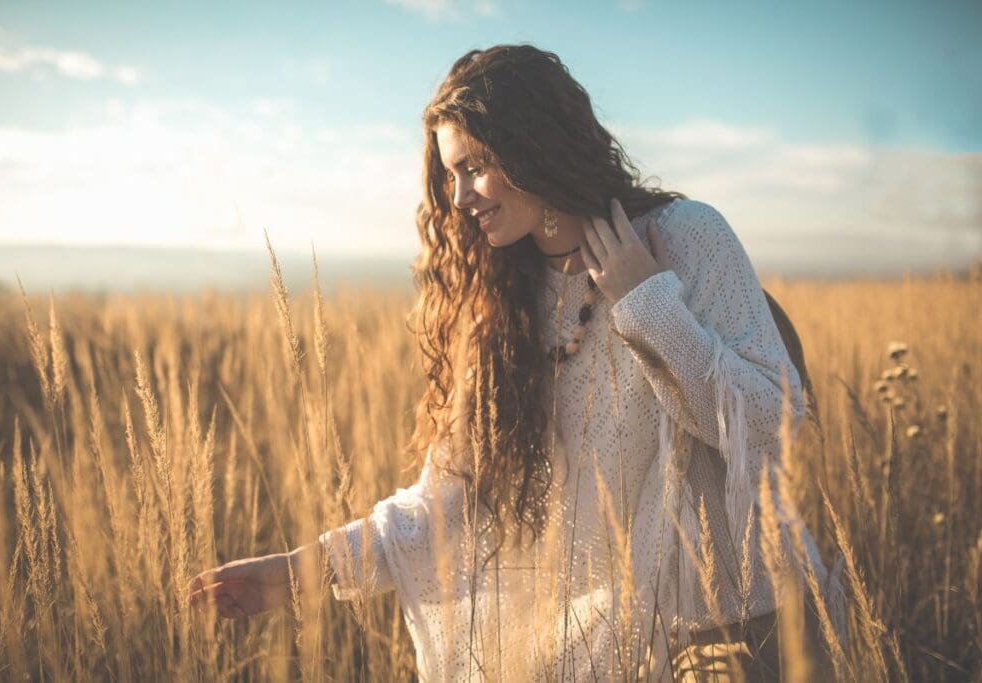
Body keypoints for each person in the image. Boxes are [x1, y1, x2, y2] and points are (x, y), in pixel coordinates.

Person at [188, 44, 848, 681]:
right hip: (619, 646)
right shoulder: (505, 306)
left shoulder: (685, 237)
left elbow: (773, 427)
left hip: (743, 627)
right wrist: (302, 569)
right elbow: (448, 500)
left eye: (474, 166)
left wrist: (649, 302)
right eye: (450, 174)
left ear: (536, 147)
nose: (459, 195)